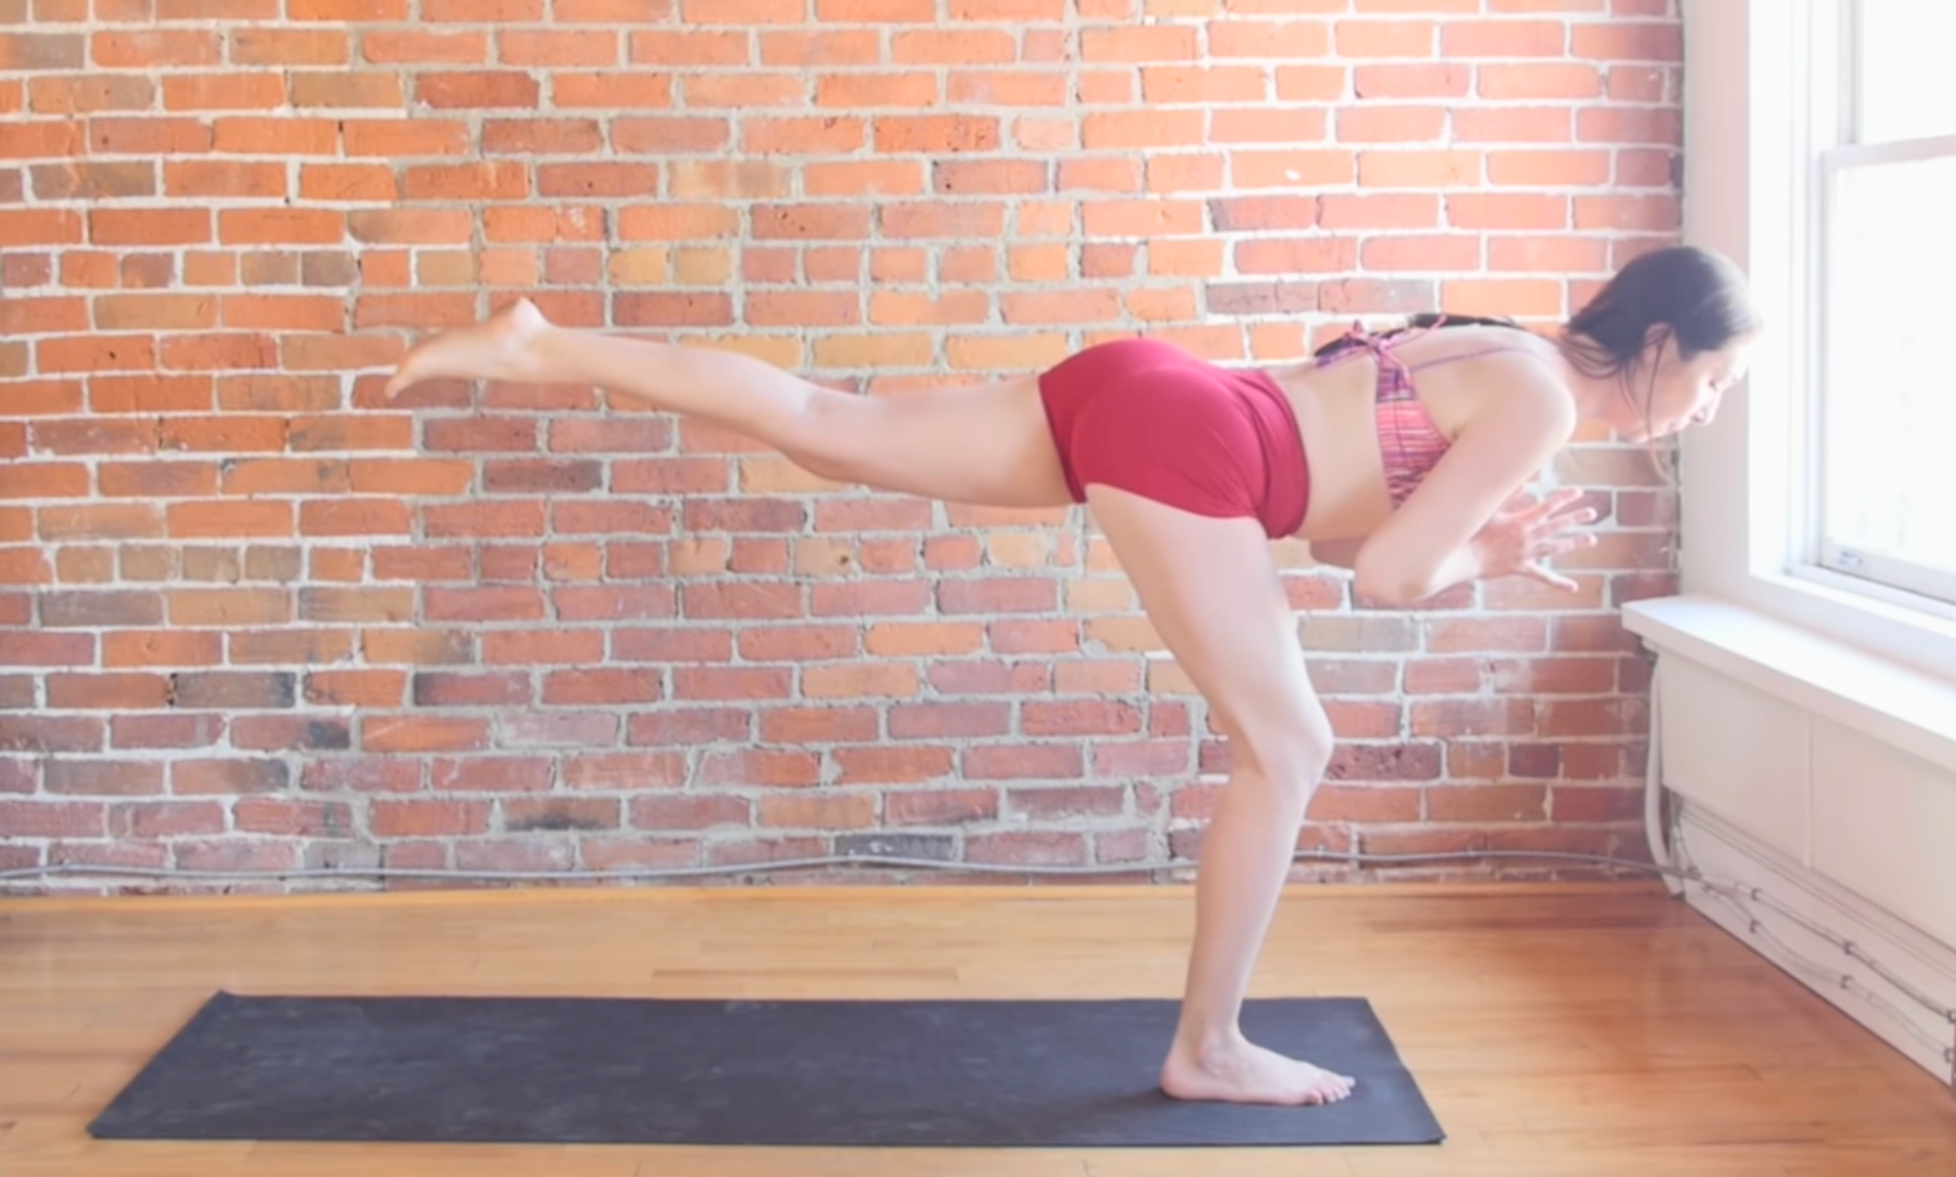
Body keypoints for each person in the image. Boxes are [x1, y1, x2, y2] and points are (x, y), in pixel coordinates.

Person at [380, 244, 1763, 1107]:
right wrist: (1489, 557)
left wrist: (1472, 545)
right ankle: (1210, 1044)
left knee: (828, 423)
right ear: (1657, 347)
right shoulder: (1538, 399)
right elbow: (1397, 576)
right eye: (1718, 378)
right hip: (1198, 446)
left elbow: (1342, 534)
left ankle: (542, 343)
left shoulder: (1501, 345)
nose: (1713, 406)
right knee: (1291, 747)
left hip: (1158, 388)